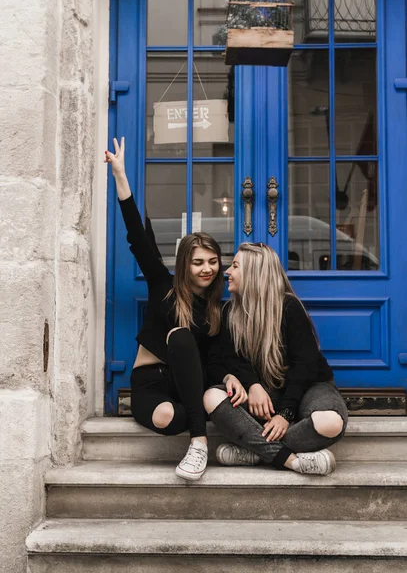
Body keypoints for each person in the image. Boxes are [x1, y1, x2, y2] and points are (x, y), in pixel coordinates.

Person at [105, 137, 232, 481]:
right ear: (184, 265)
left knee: (196, 363)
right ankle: (201, 432)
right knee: (166, 419)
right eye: (197, 262)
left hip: (191, 385)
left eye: (213, 261)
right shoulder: (163, 285)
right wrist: (120, 176)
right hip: (152, 383)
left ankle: (200, 444)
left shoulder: (219, 307)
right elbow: (137, 234)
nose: (206, 268)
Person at [204, 243, 348, 476]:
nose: (227, 272)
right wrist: (252, 385)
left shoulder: (289, 307)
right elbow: (229, 359)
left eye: (235, 266)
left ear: (254, 273)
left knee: (330, 422)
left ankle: (254, 451)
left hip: (308, 387)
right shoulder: (230, 312)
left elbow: (305, 364)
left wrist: (286, 414)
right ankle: (291, 461)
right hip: (265, 394)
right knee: (212, 396)